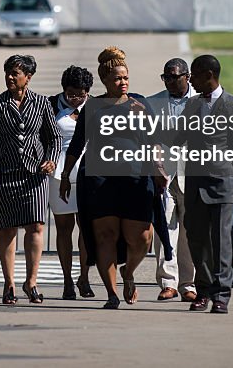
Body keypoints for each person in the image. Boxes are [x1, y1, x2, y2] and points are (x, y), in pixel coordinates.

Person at [60, 47, 161, 310]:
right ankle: (112, 294)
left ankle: (128, 275)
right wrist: (64, 175)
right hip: (99, 179)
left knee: (141, 237)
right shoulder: (92, 106)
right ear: (105, 80)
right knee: (105, 235)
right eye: (118, 78)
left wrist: (158, 168)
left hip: (135, 178)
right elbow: (77, 144)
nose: (124, 82)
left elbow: (154, 141)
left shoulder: (140, 103)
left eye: (126, 77)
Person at [171, 54, 233, 315]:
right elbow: (178, 138)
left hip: (223, 184)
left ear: (208, 75)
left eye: (193, 75)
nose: (190, 81)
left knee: (221, 242)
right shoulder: (193, 105)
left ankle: (221, 294)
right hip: (195, 185)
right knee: (197, 240)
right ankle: (204, 290)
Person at [0, 54, 60, 306]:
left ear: (28, 77)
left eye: (15, 73)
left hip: (35, 175)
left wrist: (51, 159)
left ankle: (32, 282)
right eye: (8, 73)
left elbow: (54, 137)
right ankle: (9, 283)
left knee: (36, 226)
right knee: (7, 228)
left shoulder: (42, 103)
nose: (10, 77)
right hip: (4, 174)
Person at [147, 57, 198, 303]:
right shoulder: (153, 103)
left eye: (173, 77)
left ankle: (189, 284)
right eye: (165, 77)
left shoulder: (202, 102)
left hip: (192, 174)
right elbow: (149, 139)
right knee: (164, 231)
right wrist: (156, 166)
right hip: (163, 176)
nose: (168, 81)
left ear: (187, 76)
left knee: (190, 233)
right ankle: (168, 282)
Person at [48, 65, 94, 301]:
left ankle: (84, 277)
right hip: (58, 173)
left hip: (88, 173)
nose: (76, 99)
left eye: (81, 94)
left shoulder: (96, 107)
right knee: (64, 229)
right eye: (71, 93)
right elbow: (39, 136)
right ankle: (67, 280)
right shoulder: (49, 105)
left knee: (86, 230)